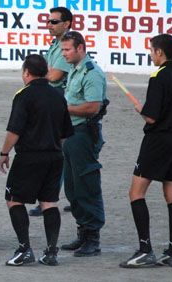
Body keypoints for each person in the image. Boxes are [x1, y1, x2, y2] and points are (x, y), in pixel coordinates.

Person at [119, 34, 172, 269]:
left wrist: (141, 110)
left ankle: (145, 250)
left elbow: (151, 116)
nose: (151, 55)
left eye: (152, 51)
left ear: (160, 53)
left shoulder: (158, 76)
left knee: (136, 193)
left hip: (157, 141)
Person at [0, 54, 73, 266]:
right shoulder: (58, 96)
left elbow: (15, 130)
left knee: (14, 198)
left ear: (26, 72)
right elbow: (65, 132)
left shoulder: (24, 95)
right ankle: (51, 252)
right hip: (55, 156)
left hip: (30, 156)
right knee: (49, 202)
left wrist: (4, 153)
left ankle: (24, 249)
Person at [59, 31, 108, 257]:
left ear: (80, 48)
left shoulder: (91, 73)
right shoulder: (75, 70)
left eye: (68, 49)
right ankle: (83, 231)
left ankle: (93, 237)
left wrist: (62, 109)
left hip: (83, 134)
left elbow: (92, 107)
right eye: (63, 49)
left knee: (86, 185)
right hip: (71, 133)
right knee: (72, 186)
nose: (64, 54)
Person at [29, 6, 73, 217]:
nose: (49, 25)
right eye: (48, 21)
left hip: (62, 106)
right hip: (57, 105)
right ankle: (70, 198)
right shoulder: (56, 45)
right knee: (63, 154)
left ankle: (50, 198)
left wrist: (37, 76)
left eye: (54, 22)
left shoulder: (68, 46)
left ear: (67, 24)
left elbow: (54, 76)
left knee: (59, 153)